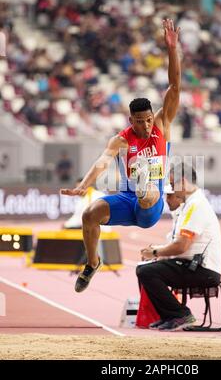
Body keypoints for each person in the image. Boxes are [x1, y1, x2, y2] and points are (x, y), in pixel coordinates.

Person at [60, 19, 181, 292]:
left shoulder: (161, 127)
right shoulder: (121, 139)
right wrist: (83, 186)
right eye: (140, 121)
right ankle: (92, 263)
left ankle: (143, 188)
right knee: (90, 215)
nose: (146, 125)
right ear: (131, 120)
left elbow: (174, 87)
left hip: (151, 204)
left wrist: (172, 49)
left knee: (146, 189)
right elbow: (102, 162)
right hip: (127, 200)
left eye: (149, 119)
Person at [136, 164, 221, 331]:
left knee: (147, 271)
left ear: (182, 182)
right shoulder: (188, 205)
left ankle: (180, 314)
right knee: (146, 268)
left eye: (172, 184)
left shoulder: (196, 205)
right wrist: (158, 252)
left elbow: (181, 246)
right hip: (191, 265)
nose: (172, 193)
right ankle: (169, 315)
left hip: (202, 270)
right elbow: (177, 243)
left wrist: (155, 252)